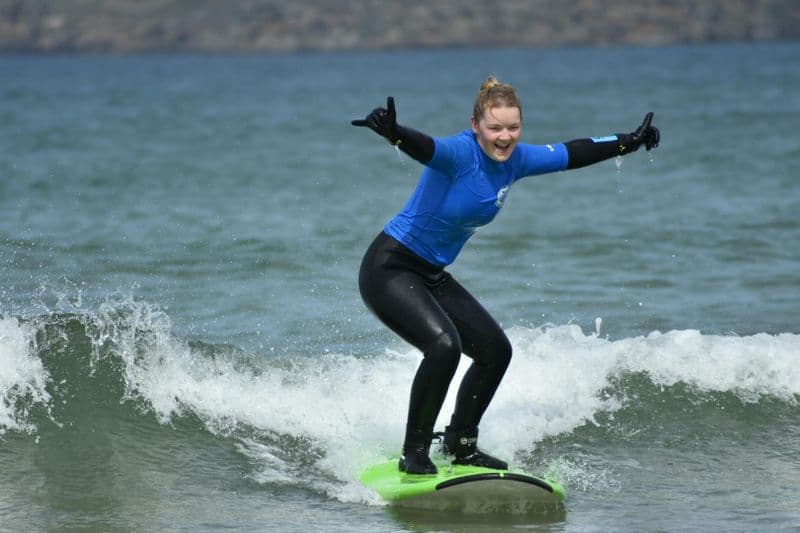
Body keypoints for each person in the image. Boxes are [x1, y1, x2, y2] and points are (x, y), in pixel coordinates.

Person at [352, 76, 660, 475]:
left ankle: (461, 445)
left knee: (495, 351)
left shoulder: (517, 160)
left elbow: (573, 152)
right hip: (389, 267)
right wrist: (394, 132)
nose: (505, 137)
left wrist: (628, 142)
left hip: (430, 272)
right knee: (444, 346)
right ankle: (413, 454)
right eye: (495, 128)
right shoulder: (460, 153)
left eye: (513, 127)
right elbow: (424, 146)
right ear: (476, 125)